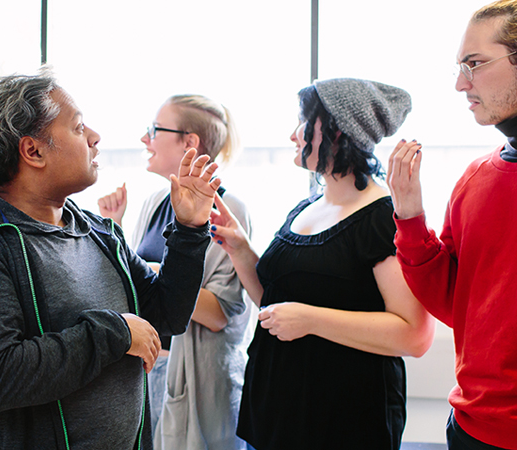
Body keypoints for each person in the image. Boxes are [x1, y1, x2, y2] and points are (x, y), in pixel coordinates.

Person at [0, 71, 221, 450]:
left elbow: (167, 314)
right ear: (32, 151)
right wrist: (114, 333)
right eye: (78, 126)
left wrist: (188, 228)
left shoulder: (100, 232)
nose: (95, 137)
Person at [210, 78, 435, 450]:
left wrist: (311, 319)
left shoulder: (381, 217)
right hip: (275, 413)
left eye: (304, 121)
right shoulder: (306, 207)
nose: (293, 134)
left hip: (342, 420)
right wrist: (240, 249)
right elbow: (275, 305)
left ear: (337, 131)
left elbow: (414, 335)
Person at [387, 2, 517, 448]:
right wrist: (409, 216)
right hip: (472, 427)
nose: (461, 83)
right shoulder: (477, 178)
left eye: (475, 64)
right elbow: (455, 303)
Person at [98, 94, 252, 450]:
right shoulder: (154, 203)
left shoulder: (230, 211)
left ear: (190, 143)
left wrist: (154, 272)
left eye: (154, 130)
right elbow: (140, 297)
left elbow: (219, 315)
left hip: (197, 379)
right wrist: (114, 228)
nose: (144, 139)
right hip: (149, 371)